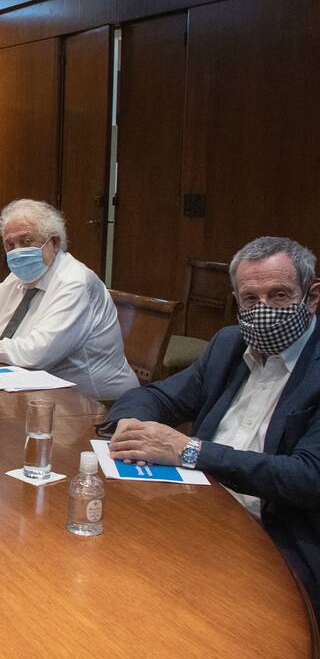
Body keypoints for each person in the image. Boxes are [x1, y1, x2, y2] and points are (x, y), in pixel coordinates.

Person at [103, 236, 320, 612]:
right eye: (251, 299)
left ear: (312, 297)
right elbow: (155, 396)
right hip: (199, 511)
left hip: (278, 535)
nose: (263, 309)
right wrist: (130, 424)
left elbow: (306, 477)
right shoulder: (229, 344)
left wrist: (190, 450)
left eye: (280, 295)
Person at [0, 198, 136, 401]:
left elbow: (35, 355)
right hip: (32, 390)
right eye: (9, 245)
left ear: (54, 243)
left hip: (94, 404)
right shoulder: (18, 278)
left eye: (26, 241)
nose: (17, 251)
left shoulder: (74, 282)